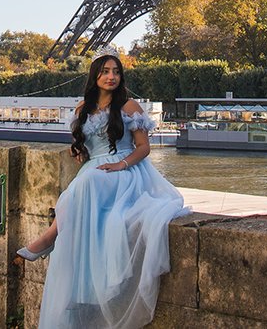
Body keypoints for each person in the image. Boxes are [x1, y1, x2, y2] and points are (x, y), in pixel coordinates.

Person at [15, 53, 190, 329]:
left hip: (124, 171)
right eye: (106, 71)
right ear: (95, 76)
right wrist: (79, 150)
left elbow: (143, 148)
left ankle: (49, 236)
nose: (111, 76)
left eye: (116, 72)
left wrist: (120, 164)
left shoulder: (130, 106)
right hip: (94, 172)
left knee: (81, 188)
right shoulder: (82, 109)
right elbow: (86, 149)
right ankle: (79, 286)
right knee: (78, 190)